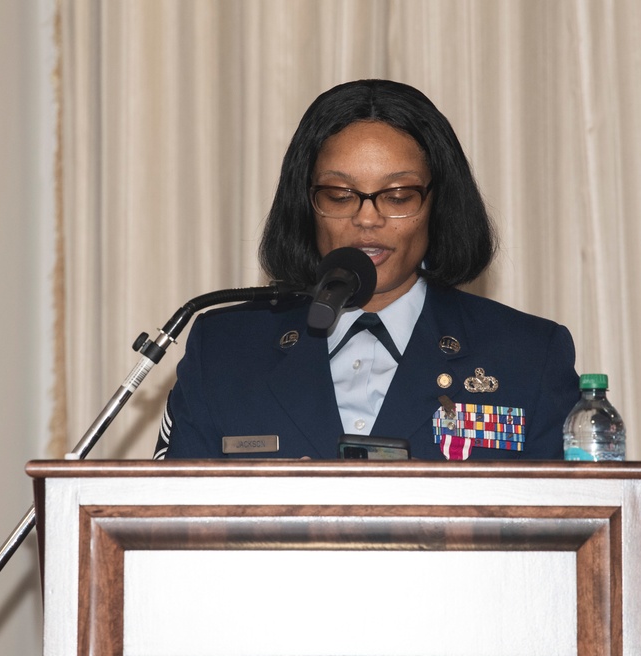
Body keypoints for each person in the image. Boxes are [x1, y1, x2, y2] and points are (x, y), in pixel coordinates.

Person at [155, 79, 579, 461]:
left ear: (438, 205)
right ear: (306, 206)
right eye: (340, 195)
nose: (367, 219)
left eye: (397, 196)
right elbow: (166, 526)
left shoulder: (528, 355)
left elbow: (574, 528)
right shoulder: (224, 350)